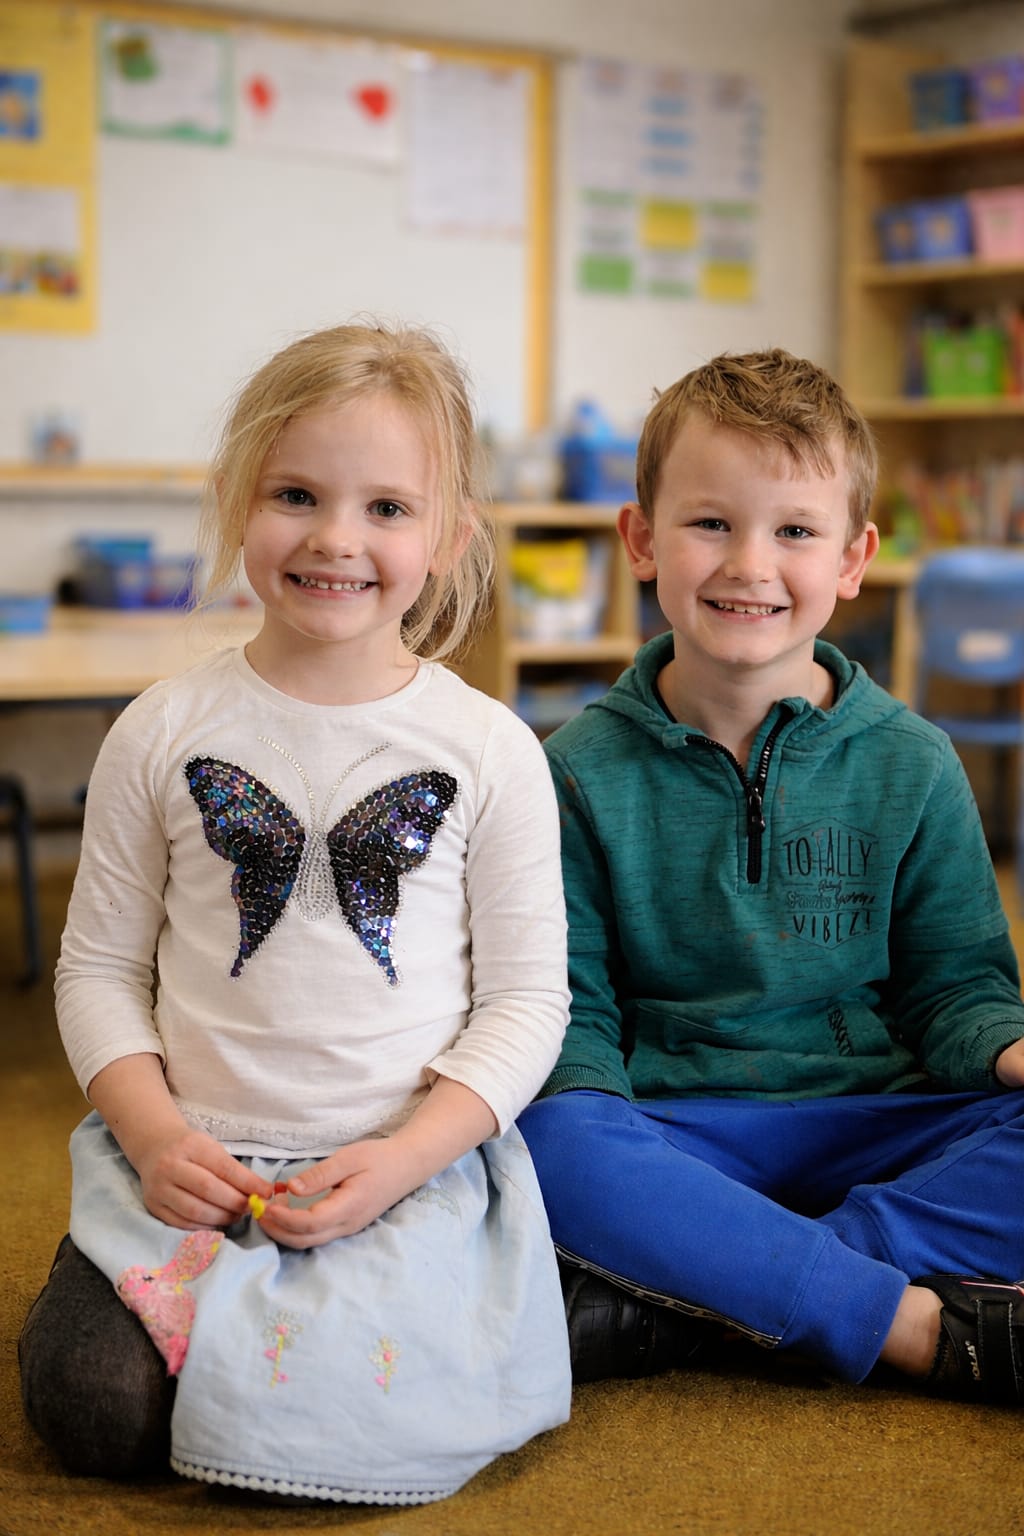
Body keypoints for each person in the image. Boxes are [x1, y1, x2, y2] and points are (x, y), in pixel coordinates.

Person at [19, 320, 571, 1504]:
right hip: (188, 1159)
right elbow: (98, 971)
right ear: (235, 501)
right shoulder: (162, 728)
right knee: (92, 1410)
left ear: (450, 537)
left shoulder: (490, 749)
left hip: (396, 1170)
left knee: (340, 1420)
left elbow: (526, 1002)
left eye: (386, 508)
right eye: (296, 494)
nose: (334, 538)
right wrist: (158, 1137)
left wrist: (410, 1156)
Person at [518, 347, 1024, 1403]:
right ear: (641, 540)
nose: (751, 565)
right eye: (712, 523)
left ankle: (708, 1290)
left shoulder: (913, 761)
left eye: (794, 531)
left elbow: (955, 990)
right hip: (673, 1133)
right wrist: (593, 1140)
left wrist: (1008, 1049)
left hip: (877, 1128)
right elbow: (571, 1022)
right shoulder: (567, 771)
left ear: (852, 558)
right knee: (538, 1139)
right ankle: (899, 1319)